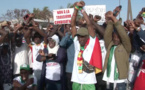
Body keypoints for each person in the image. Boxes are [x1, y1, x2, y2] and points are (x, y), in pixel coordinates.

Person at [71, 1, 102, 90]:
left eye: (82, 37)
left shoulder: (91, 43)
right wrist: (76, 10)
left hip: (89, 82)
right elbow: (73, 25)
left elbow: (89, 24)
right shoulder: (77, 43)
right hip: (76, 80)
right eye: (79, 37)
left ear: (87, 37)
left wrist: (82, 10)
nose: (80, 39)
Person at [103, 11, 131, 90]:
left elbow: (123, 35)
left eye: (118, 37)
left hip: (120, 80)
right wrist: (110, 22)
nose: (116, 39)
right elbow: (107, 34)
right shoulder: (110, 45)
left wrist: (114, 19)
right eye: (114, 37)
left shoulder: (126, 47)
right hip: (109, 79)